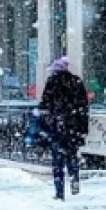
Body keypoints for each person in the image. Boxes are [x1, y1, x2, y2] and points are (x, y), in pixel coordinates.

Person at [39, 57, 90, 200]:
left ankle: (59, 192)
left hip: (57, 128)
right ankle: (74, 182)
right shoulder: (76, 82)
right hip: (73, 127)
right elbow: (84, 107)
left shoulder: (52, 83)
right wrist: (83, 129)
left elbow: (45, 106)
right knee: (72, 157)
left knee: (58, 162)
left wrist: (46, 126)